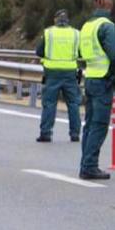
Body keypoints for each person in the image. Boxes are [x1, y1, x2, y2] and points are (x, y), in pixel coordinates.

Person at [79, 0, 115, 180]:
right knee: (99, 125)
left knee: (90, 124)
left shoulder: (87, 26)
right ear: (106, 4)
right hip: (103, 81)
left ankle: (86, 163)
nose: (110, 4)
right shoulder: (107, 26)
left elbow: (82, 53)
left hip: (90, 79)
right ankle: (89, 166)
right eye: (110, 2)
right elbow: (114, 55)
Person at [35, 9, 81, 143]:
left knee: (49, 104)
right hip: (70, 73)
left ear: (55, 20)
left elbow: (39, 51)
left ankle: (46, 133)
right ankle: (75, 134)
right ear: (67, 20)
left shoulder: (48, 33)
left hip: (52, 73)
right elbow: (81, 52)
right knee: (73, 104)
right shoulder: (76, 34)